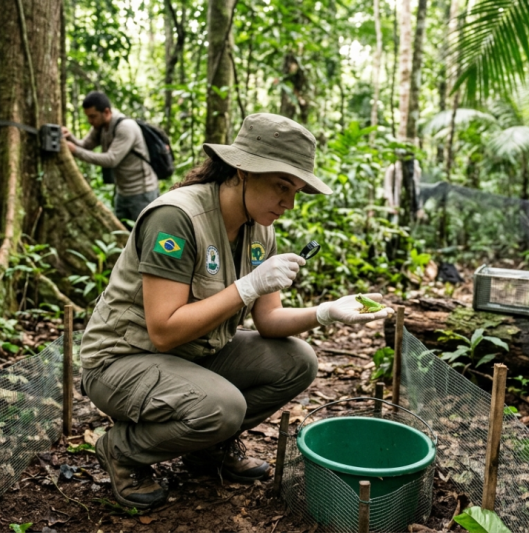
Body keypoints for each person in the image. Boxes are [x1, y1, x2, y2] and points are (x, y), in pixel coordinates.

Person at [79, 113, 394, 510]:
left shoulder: (260, 227)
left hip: (190, 355)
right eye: (282, 186)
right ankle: (122, 450)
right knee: (223, 407)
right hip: (123, 360)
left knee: (298, 361)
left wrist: (327, 312)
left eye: (296, 190)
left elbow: (269, 320)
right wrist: (247, 286)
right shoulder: (175, 218)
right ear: (243, 171)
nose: (289, 203)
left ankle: (207, 451)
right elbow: (163, 330)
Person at [62, 91, 159, 225]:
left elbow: (111, 160)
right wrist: (69, 137)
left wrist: (75, 150)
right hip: (122, 192)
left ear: (106, 112)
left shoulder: (125, 127)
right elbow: (85, 145)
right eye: (88, 117)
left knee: (144, 236)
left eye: (93, 116)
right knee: (124, 236)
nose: (90, 121)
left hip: (142, 193)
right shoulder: (100, 126)